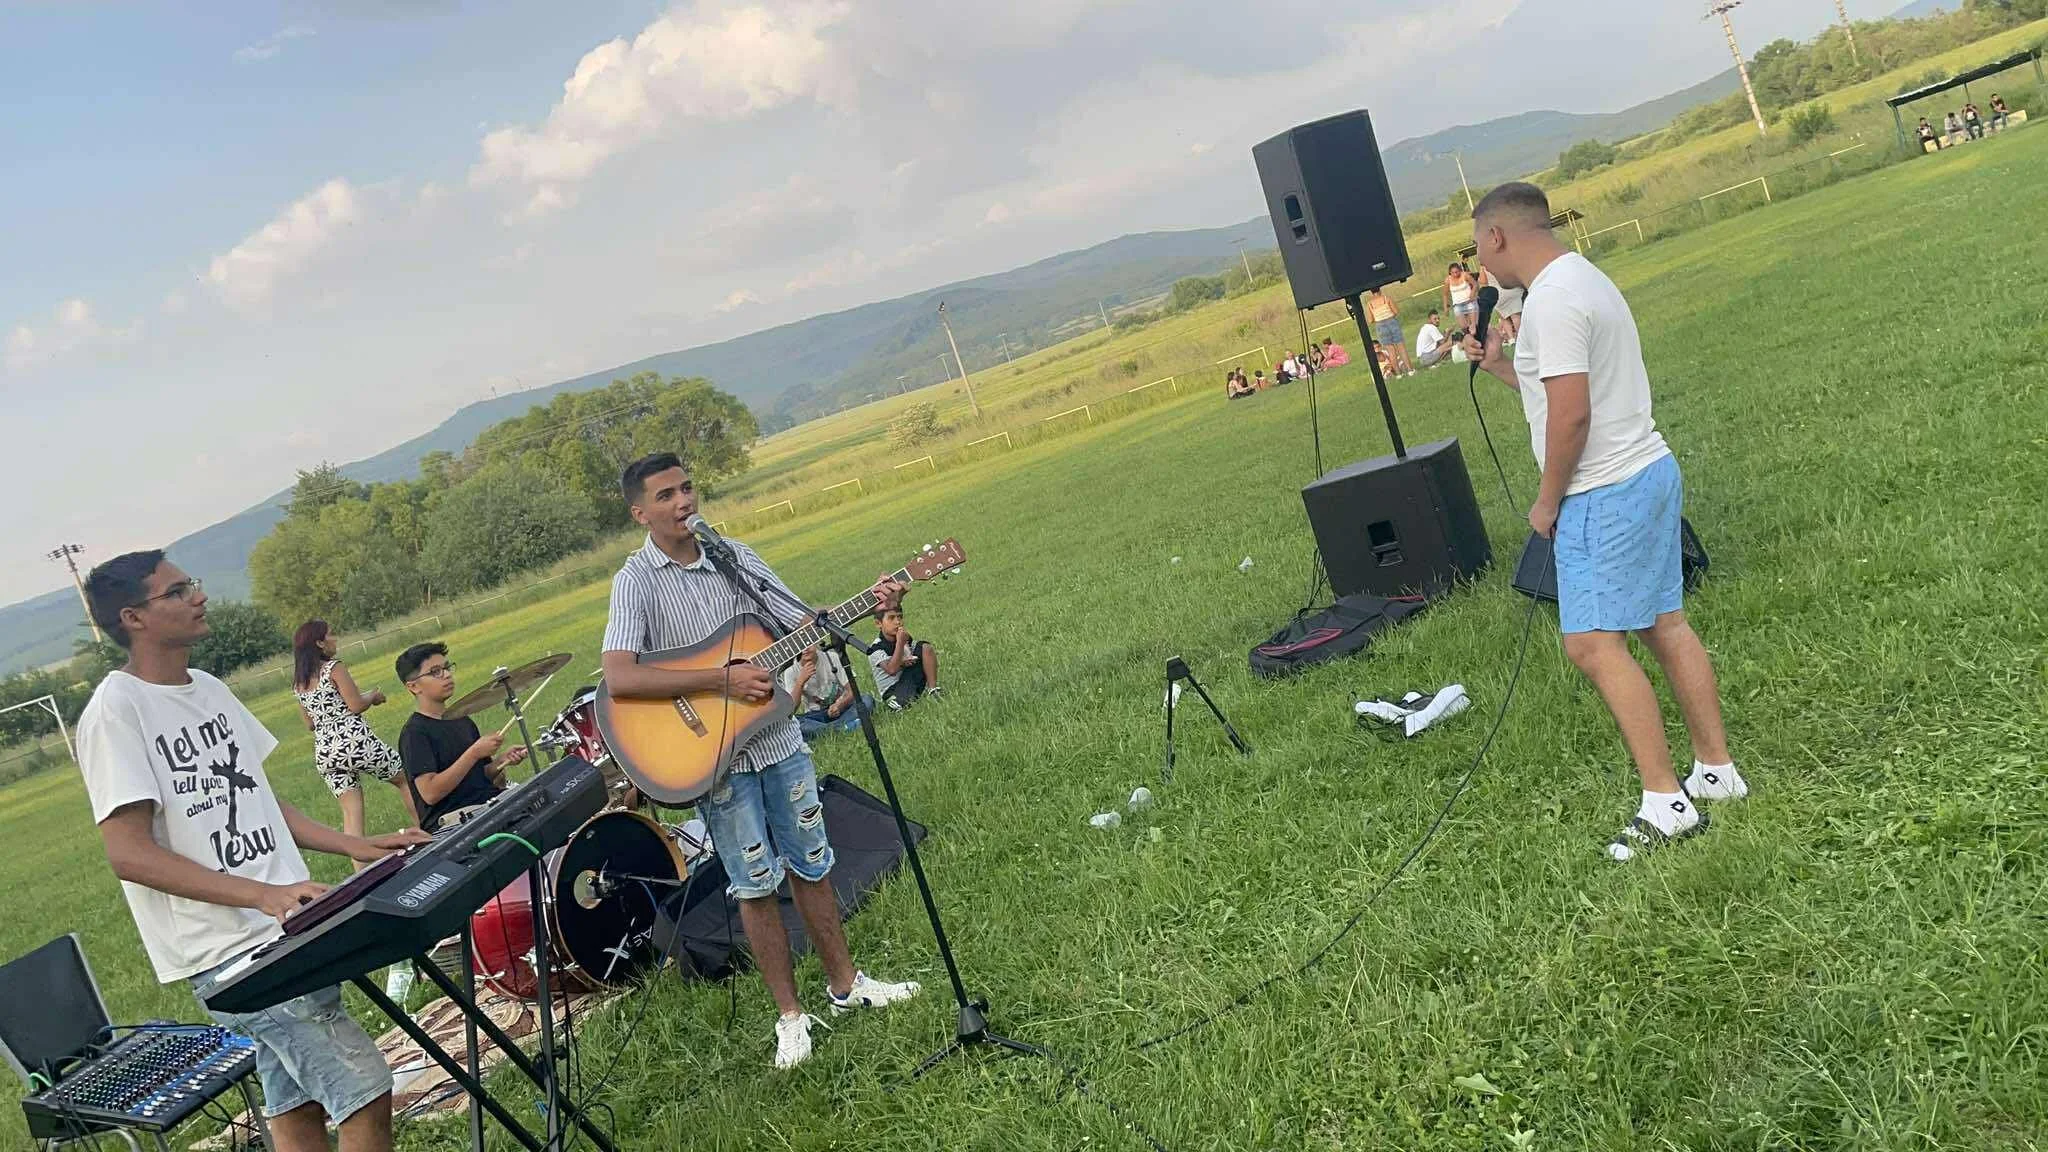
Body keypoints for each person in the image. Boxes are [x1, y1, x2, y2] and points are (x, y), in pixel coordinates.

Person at [75, 551, 425, 1152]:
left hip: (283, 926)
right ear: (134, 617)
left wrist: (356, 844)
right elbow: (129, 854)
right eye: (178, 590)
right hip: (233, 950)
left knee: (298, 1103)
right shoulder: (116, 711)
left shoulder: (208, 688)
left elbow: (263, 801)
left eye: (193, 582)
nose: (199, 597)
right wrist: (262, 895)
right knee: (365, 1089)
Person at [601, 452, 920, 1069]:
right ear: (640, 511)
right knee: (754, 884)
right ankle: (791, 1018)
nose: (683, 502)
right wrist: (720, 680)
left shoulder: (735, 556)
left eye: (687, 488)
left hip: (778, 742)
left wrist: (874, 599)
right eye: (666, 495)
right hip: (715, 760)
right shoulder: (635, 580)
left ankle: (847, 986)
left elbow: (803, 623)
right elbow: (618, 676)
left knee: (813, 862)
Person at [1462, 181, 1746, 863]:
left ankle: (1665, 803)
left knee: (1591, 645)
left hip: (1602, 490)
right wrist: (1501, 366)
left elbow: (1573, 416)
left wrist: (1548, 501)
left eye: (1478, 247)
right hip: (1646, 469)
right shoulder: (1578, 279)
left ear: (1498, 235)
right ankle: (1716, 771)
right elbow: (1560, 392)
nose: (1479, 264)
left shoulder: (1554, 302)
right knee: (1664, 623)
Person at [292, 620, 413, 853]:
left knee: (351, 815)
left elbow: (309, 723)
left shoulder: (299, 683)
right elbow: (355, 704)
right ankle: (428, 832)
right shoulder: (334, 668)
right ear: (319, 643)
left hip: (325, 752)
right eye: (331, 635)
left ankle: (361, 873)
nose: (335, 638)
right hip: (354, 742)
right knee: (405, 779)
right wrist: (374, 697)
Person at [393, 642, 527, 834]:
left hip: (485, 806)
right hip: (452, 825)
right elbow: (430, 793)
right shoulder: (415, 733)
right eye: (435, 672)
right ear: (413, 686)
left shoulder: (461, 720)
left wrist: (501, 761)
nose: (447, 675)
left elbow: (477, 777)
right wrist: (473, 753)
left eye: (447, 668)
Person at [781, 646, 870, 738]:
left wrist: (840, 705)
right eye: (800, 646)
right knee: (795, 722)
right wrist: (800, 682)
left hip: (841, 707)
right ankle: (844, 727)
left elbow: (852, 690)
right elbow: (791, 710)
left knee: (866, 700)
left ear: (816, 642)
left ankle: (827, 731)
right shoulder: (790, 670)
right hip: (816, 715)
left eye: (808, 644)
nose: (805, 649)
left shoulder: (831, 657)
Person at [868, 607, 942, 711]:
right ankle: (897, 703)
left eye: (900, 617)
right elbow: (891, 669)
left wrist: (906, 647)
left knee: (925, 648)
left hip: (908, 680)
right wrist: (900, 643)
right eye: (891, 618)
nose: (898, 622)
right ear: (878, 623)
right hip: (892, 690)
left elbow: (918, 651)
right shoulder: (875, 648)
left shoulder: (903, 637)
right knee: (902, 702)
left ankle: (933, 690)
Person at [1364, 288, 1415, 377]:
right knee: (1401, 348)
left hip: (1380, 326)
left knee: (1391, 351)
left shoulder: (1370, 304)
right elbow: (1396, 311)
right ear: (1380, 290)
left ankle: (1398, 374)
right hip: (1392, 322)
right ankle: (1410, 370)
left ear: (1371, 292)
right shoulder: (1386, 298)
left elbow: (1370, 320)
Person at [1441, 261, 1480, 333]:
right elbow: (1445, 294)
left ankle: (1476, 337)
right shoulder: (1448, 280)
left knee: (1474, 326)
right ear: (1450, 273)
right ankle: (1471, 339)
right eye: (1453, 273)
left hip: (1469, 302)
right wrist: (1445, 307)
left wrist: (1472, 293)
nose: (1455, 274)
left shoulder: (1465, 275)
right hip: (1458, 305)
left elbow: (1475, 285)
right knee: (1464, 327)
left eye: (1457, 272)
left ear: (1460, 270)